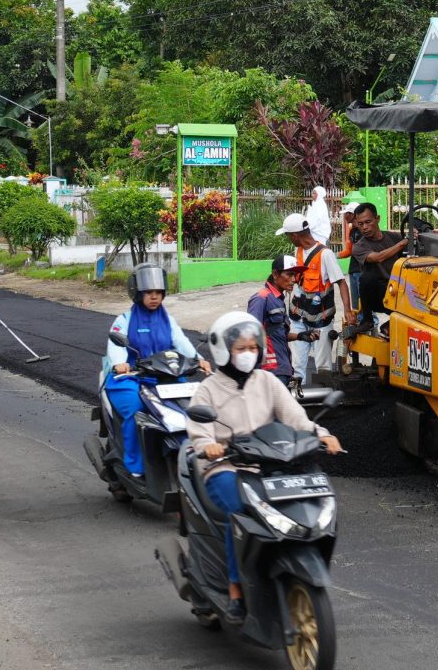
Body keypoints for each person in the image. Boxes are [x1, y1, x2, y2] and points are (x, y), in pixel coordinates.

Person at [187, 312, 343, 625]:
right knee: (240, 511)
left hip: (269, 464)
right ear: (223, 351)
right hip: (225, 467)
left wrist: (322, 435)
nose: (248, 354)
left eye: (252, 348)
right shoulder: (208, 389)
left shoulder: (268, 381)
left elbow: (296, 418)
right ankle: (235, 587)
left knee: (304, 499)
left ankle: (286, 558)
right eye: (240, 349)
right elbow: (199, 432)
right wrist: (209, 446)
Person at [103, 263, 210, 478]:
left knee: (194, 403)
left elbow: (181, 342)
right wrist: (119, 363)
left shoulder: (168, 320)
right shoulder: (124, 320)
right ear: (137, 293)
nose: (154, 297)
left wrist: (199, 359)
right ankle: (134, 466)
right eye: (149, 292)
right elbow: (116, 346)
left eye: (158, 293)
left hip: (164, 376)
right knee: (135, 409)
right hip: (130, 378)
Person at [276, 214, 355, 381]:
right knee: (297, 366)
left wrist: (347, 310)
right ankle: (298, 402)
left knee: (323, 367)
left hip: (321, 321)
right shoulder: (297, 251)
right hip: (298, 319)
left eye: (288, 236)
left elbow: (341, 283)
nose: (289, 239)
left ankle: (323, 402)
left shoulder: (325, 255)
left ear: (295, 235)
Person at [247, 255, 304, 385]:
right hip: (269, 372)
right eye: (289, 274)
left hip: (281, 369)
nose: (294, 280)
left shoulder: (278, 300)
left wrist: (300, 336)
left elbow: (276, 334)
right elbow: (250, 334)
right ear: (275, 274)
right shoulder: (261, 298)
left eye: (295, 275)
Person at [351, 202, 406, 328]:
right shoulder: (359, 247)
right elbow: (378, 257)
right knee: (366, 277)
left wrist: (414, 237)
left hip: (400, 290)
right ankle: (367, 319)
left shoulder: (394, 237)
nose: (364, 227)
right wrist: (404, 243)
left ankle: (390, 326)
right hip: (379, 297)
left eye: (368, 222)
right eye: (360, 224)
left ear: (377, 219)